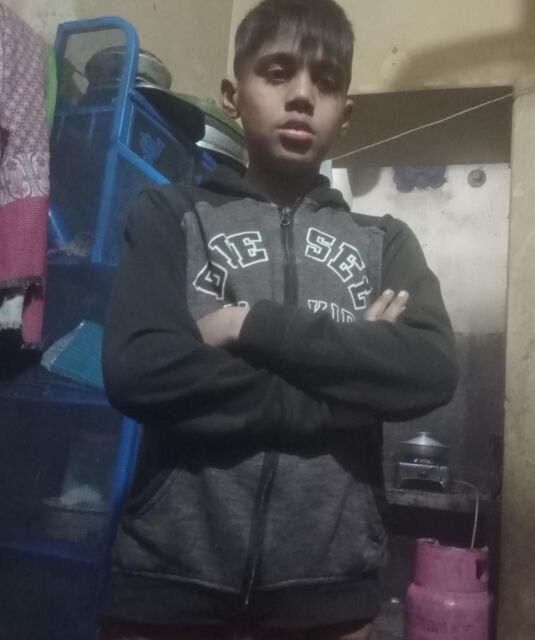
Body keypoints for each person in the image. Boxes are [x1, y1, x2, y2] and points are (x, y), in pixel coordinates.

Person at [100, 0, 458, 638]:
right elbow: (140, 367)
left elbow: (429, 368)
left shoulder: (384, 241)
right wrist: (345, 391)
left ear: (345, 114)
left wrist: (246, 325)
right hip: (168, 585)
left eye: (325, 81)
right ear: (233, 95)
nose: (301, 95)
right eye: (277, 72)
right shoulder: (170, 215)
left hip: (332, 597)